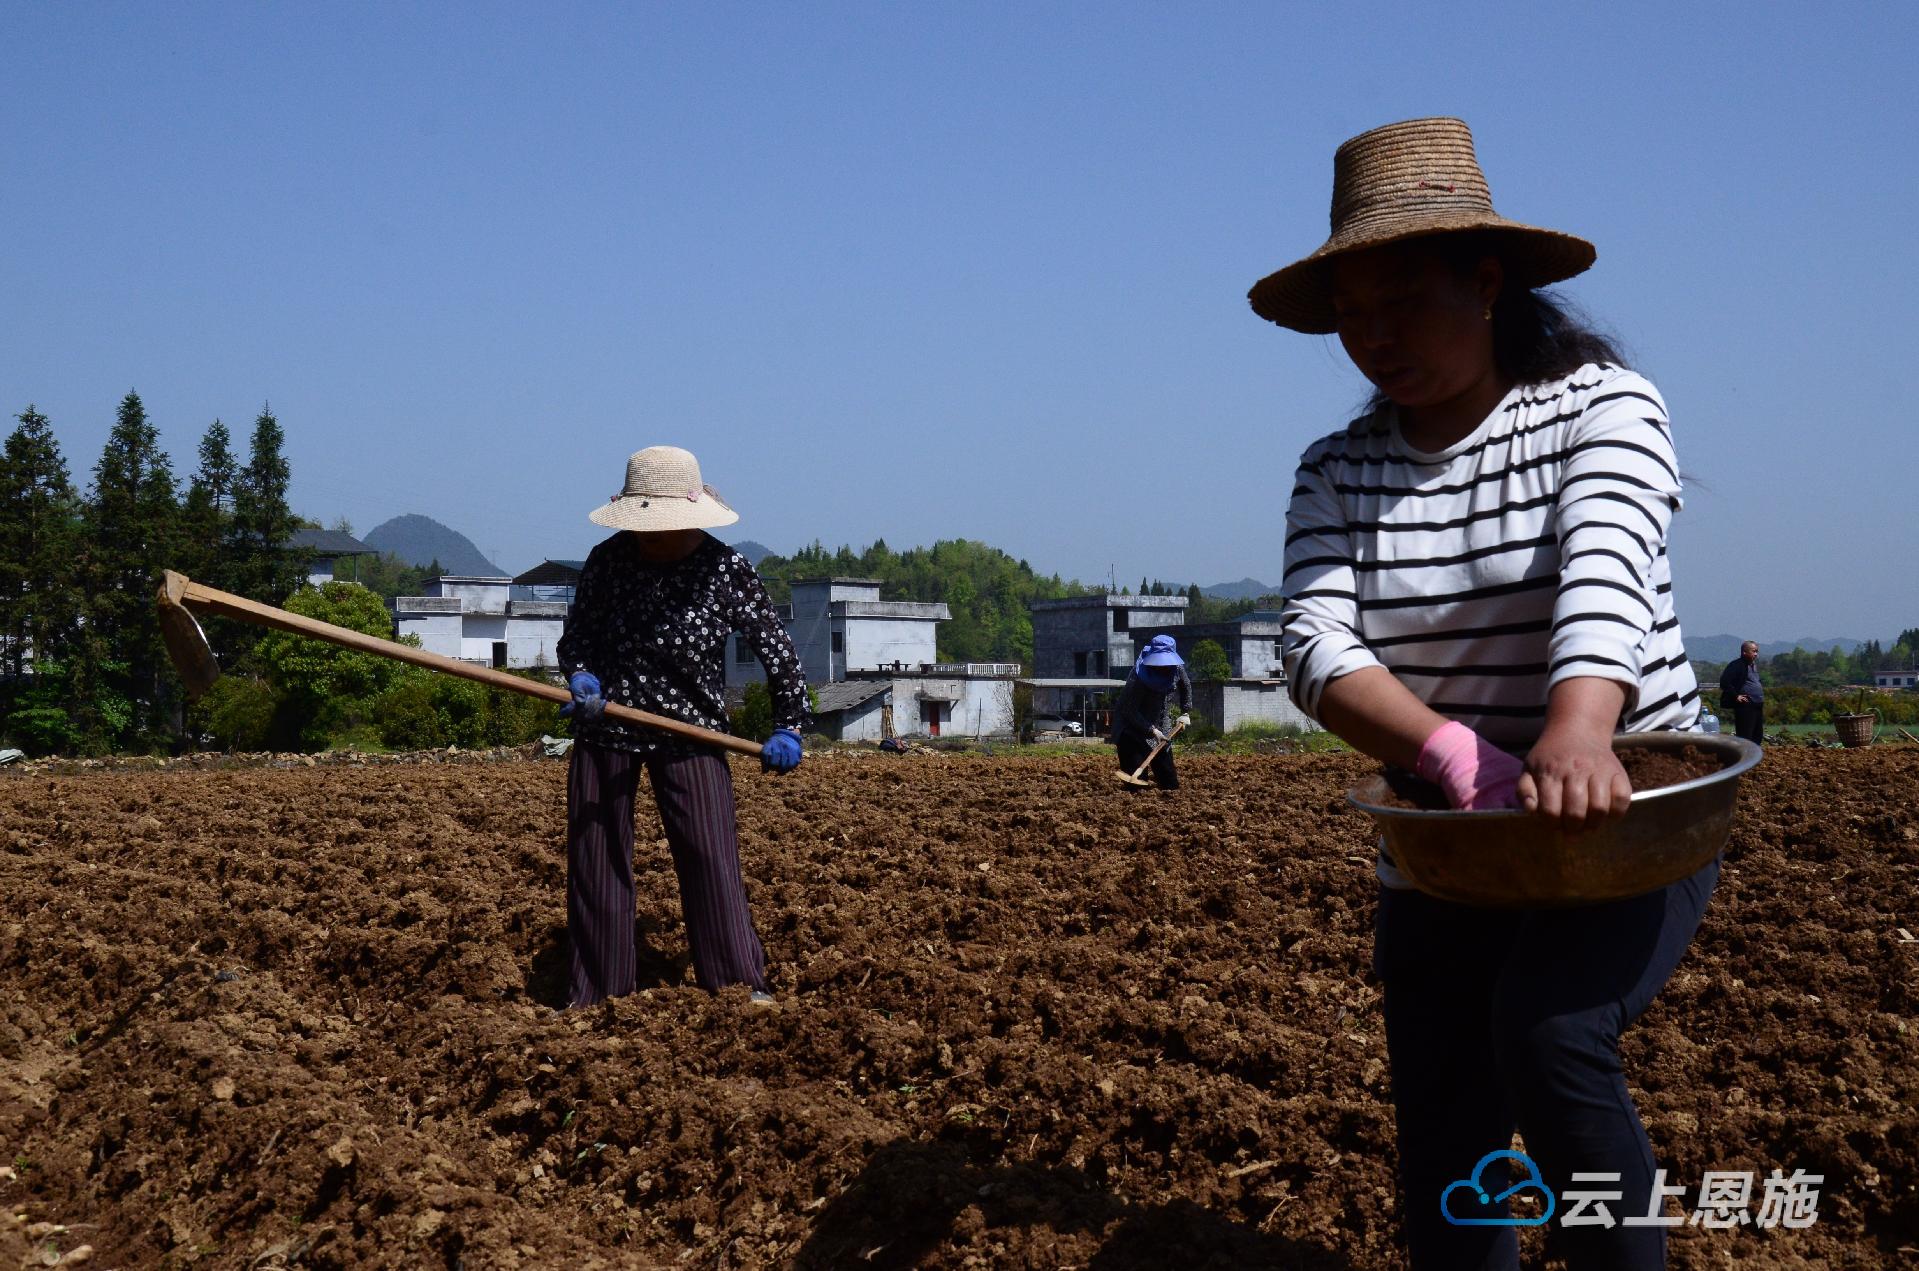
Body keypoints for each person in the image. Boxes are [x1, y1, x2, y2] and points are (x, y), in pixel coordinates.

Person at [1258, 118, 1709, 1269]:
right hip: (1449, 834)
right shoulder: (1336, 470)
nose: (1372, 338)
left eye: (1401, 299)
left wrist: (1575, 731)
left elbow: (1606, 562)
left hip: (1622, 812)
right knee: (1445, 1111)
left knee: (1549, 1032)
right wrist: (1452, 749)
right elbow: (1312, 641)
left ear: (1487, 280)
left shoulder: (1602, 407)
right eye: (1349, 316)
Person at [555, 445, 808, 1009]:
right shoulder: (608, 560)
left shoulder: (725, 568)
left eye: (662, 526)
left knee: (708, 857)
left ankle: (740, 986)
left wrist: (789, 725)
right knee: (598, 860)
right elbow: (577, 641)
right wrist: (584, 678)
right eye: (644, 526)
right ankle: (598, 994)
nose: (651, 536)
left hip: (693, 733)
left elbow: (779, 653)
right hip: (608, 728)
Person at [1110, 633, 1192, 790]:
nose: (1162, 667)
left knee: (1169, 782)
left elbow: (1186, 686)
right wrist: (1152, 730)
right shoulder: (1138, 678)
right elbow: (1129, 710)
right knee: (1136, 785)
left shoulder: (1176, 669)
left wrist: (1185, 711)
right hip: (1131, 731)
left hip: (1162, 729)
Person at [1718, 640, 1764, 744]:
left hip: (1757, 705)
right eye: (1753, 651)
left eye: (1757, 651)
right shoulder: (1737, 665)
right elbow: (1724, 681)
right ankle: (1744, 757)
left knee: (1757, 735)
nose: (1756, 654)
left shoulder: (1753, 665)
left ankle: (1754, 757)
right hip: (1746, 705)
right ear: (1744, 652)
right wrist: (1736, 696)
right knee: (1745, 735)